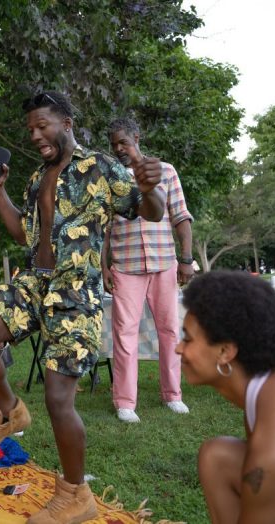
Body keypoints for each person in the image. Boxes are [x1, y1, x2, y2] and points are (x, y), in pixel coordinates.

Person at [0, 91, 165, 524]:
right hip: (36, 281)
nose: (35, 135)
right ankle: (10, 410)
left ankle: (75, 495)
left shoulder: (102, 167)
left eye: (42, 126)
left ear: (66, 123)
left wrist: (150, 187)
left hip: (76, 292)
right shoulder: (38, 177)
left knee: (57, 398)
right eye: (30, 128)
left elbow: (151, 210)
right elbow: (23, 234)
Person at [177, 271, 275, 524]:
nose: (178, 348)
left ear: (225, 351)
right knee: (216, 457)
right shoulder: (266, 393)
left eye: (187, 338)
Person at [101, 117, 193, 423]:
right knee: (124, 334)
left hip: (164, 262)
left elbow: (181, 216)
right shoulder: (109, 178)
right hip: (125, 266)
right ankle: (125, 402)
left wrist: (186, 258)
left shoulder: (165, 171)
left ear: (137, 138)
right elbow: (102, 229)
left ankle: (173, 395)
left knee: (170, 330)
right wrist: (104, 267)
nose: (118, 149)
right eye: (114, 144)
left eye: (123, 142)